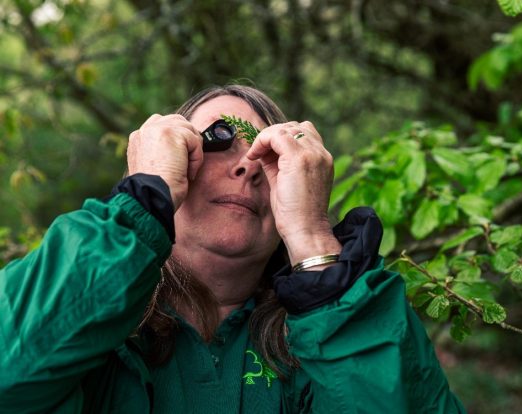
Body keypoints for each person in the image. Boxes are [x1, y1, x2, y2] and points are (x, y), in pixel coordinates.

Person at [0, 85, 465, 413]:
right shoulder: (92, 327)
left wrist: (315, 245)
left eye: (271, 156)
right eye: (217, 139)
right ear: (171, 163)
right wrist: (140, 203)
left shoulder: (324, 341)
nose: (247, 165)